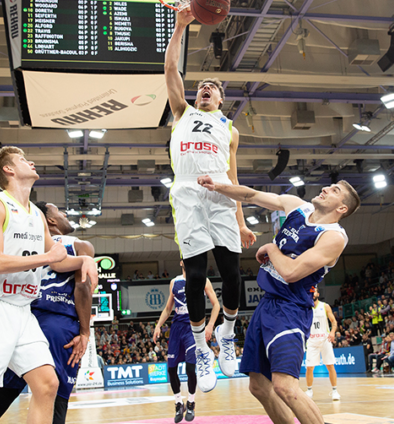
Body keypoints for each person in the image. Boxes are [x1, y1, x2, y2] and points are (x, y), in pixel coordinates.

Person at [0, 146, 94, 424]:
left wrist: (84, 261)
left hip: (22, 310)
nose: (32, 161)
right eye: (24, 160)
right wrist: (48, 256)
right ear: (9, 169)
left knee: (46, 384)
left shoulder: (36, 215)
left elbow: (57, 261)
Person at [198, 174, 358, 424]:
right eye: (329, 186)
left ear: (342, 208)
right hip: (267, 305)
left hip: (291, 309)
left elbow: (291, 272)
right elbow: (250, 195)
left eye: (335, 190)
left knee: (285, 387)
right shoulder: (297, 206)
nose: (326, 188)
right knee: (259, 387)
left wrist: (271, 248)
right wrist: (217, 186)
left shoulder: (333, 236)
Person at [164, 6, 256, 392]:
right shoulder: (181, 112)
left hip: (220, 193)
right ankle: (202, 349)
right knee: (196, 278)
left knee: (233, 274)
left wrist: (240, 218)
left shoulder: (229, 129)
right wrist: (181, 26)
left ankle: (228, 335)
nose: (205, 89)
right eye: (202, 86)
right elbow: (170, 70)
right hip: (186, 192)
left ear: (220, 99)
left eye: (212, 88)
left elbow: (233, 176)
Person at [0, 201, 97, 424]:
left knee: (1, 397)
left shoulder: (24, 244)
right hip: (58, 324)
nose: (64, 214)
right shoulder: (80, 246)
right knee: (56, 396)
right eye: (60, 211)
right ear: (50, 220)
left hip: (24, 320)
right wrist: (85, 331)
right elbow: (82, 287)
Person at [153, 260, 220, 423]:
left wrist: (210, 325)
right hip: (177, 328)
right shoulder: (174, 282)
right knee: (171, 369)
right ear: (182, 262)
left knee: (191, 367)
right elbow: (168, 308)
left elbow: (216, 304)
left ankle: (191, 402)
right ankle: (178, 403)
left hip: (194, 326)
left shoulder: (202, 279)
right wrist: (158, 326)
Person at [305, 288, 340, 400]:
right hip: (311, 341)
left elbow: (333, 321)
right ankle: (309, 390)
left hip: (325, 340)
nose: (312, 293)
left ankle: (335, 391)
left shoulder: (325, 306)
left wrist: (333, 332)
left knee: (330, 365)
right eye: (310, 291)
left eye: (314, 291)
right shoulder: (306, 307)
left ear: (318, 294)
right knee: (309, 367)